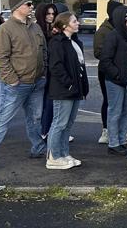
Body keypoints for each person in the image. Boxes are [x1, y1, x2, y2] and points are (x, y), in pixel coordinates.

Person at [0, 0, 47, 171]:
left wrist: (43, 72)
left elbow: (43, 50)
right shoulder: (5, 30)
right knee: (2, 120)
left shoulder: (35, 28)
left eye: (31, 4)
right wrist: (12, 79)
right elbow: (0, 57)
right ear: (17, 7)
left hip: (37, 82)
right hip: (17, 84)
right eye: (28, 4)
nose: (31, 7)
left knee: (35, 117)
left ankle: (38, 147)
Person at [45, 12, 88, 170]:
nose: (78, 23)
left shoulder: (74, 42)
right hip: (63, 91)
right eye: (74, 21)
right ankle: (53, 156)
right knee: (59, 123)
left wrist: (81, 87)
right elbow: (56, 67)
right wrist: (69, 84)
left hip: (75, 90)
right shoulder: (57, 42)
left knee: (68, 124)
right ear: (64, 25)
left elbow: (79, 65)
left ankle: (63, 153)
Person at [99, 6, 127, 156]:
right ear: (122, 20)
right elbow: (105, 60)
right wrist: (117, 75)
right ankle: (113, 143)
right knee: (115, 111)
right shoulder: (113, 36)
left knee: (126, 111)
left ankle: (121, 140)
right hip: (115, 81)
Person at [94, 0, 123, 144]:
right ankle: (106, 130)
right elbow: (98, 52)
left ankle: (122, 130)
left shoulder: (124, 27)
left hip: (123, 71)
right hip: (106, 71)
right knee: (109, 101)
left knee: (123, 103)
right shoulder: (103, 30)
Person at [35, 3, 58, 140]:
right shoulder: (37, 30)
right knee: (42, 104)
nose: (51, 16)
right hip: (42, 72)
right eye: (48, 14)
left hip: (52, 71)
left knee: (50, 103)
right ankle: (42, 131)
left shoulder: (53, 30)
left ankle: (46, 130)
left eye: (53, 14)